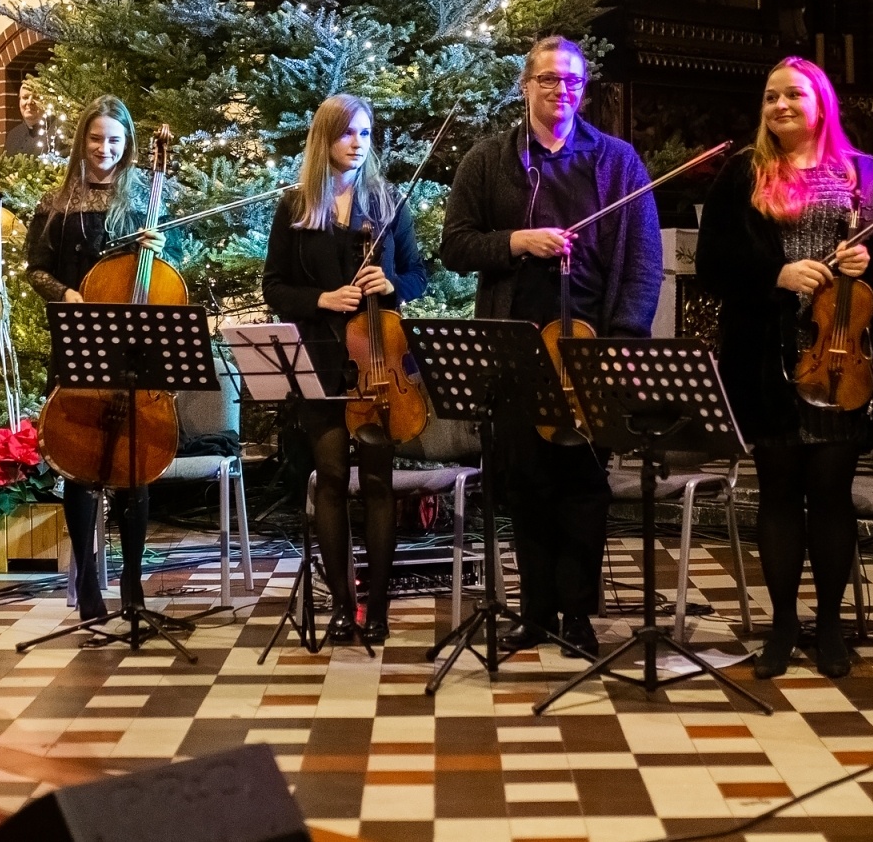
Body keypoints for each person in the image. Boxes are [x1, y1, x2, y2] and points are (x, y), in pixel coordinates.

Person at [440, 36, 663, 658]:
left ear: (581, 90)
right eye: (547, 80)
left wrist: (621, 344)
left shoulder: (617, 162)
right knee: (527, 482)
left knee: (584, 486)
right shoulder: (490, 160)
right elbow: (455, 245)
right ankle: (536, 611)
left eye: (570, 82)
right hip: (515, 350)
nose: (559, 91)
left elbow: (645, 262)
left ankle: (578, 617)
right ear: (525, 85)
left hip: (590, 345)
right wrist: (517, 241)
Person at [696, 55, 873, 680]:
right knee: (778, 492)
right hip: (765, 358)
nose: (780, 106)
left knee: (831, 494)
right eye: (770, 97)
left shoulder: (868, 179)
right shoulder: (742, 175)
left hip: (842, 358)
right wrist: (777, 274)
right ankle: (783, 623)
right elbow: (711, 267)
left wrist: (867, 262)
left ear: (821, 103)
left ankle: (830, 627)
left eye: (793, 95)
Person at [263, 94, 428, 643]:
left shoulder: (386, 201)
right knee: (331, 479)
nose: (358, 143)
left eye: (364, 133)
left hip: (377, 362)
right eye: (347, 134)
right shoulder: (294, 206)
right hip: (321, 359)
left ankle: (376, 606)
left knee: (378, 483)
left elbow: (417, 275)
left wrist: (392, 284)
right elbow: (275, 286)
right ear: (324, 139)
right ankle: (341, 603)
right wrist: (320, 301)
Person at [25, 95, 165, 624]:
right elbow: (35, 268)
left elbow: (159, 277)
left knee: (135, 464)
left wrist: (158, 245)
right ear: (81, 140)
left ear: (126, 145)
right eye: (95, 138)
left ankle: (132, 579)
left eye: (114, 140)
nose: (104, 148)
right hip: (78, 339)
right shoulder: (55, 201)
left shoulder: (142, 199)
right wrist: (68, 296)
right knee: (79, 464)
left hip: (132, 344)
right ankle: (87, 578)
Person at [5, 82, 59, 156]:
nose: (30, 102)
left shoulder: (58, 132)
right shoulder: (12, 136)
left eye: (36, 97)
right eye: (25, 97)